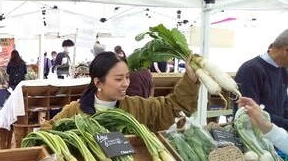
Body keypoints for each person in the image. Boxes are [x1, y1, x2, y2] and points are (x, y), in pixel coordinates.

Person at [41, 51, 199, 132]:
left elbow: (172, 108)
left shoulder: (138, 107)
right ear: (98, 82)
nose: (126, 84)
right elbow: (46, 132)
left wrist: (190, 79)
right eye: (118, 79)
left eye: (127, 77)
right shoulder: (74, 112)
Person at [234, 29, 288, 130]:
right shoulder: (251, 69)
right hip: (255, 139)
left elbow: (284, 103)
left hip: (275, 134)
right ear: (286, 50)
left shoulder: (283, 70)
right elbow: (250, 114)